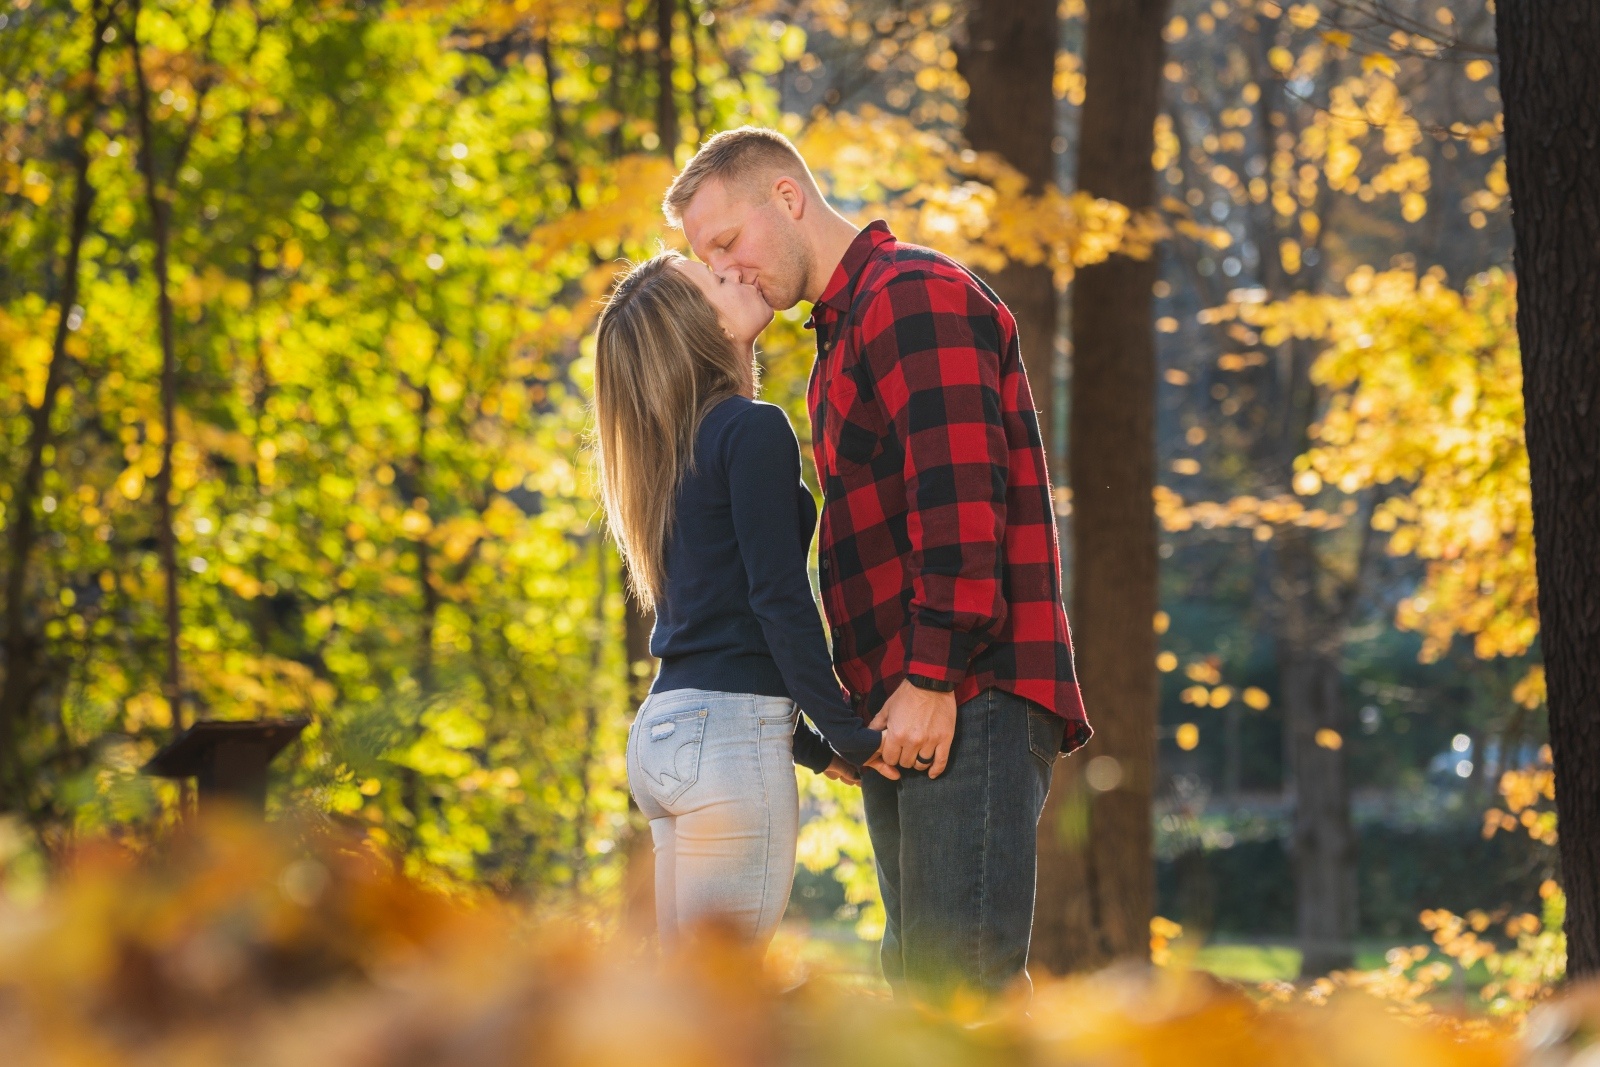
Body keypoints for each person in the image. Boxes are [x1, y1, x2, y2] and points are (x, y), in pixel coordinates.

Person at [663, 127, 1092, 1002]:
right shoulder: (839, 340)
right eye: (707, 258)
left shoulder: (910, 297)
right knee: (921, 995)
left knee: (958, 999)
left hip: (966, 692)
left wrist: (933, 674)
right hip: (907, 710)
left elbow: (962, 500)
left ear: (787, 197)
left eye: (726, 242)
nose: (726, 271)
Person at [591, 251, 890, 951]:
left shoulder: (668, 458)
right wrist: (851, 731)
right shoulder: (751, 429)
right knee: (718, 1008)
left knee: (683, 1009)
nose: (739, 273)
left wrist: (817, 752)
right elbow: (777, 601)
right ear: (697, 329)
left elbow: (721, 627)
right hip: (724, 742)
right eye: (716, 281)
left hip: (664, 734)